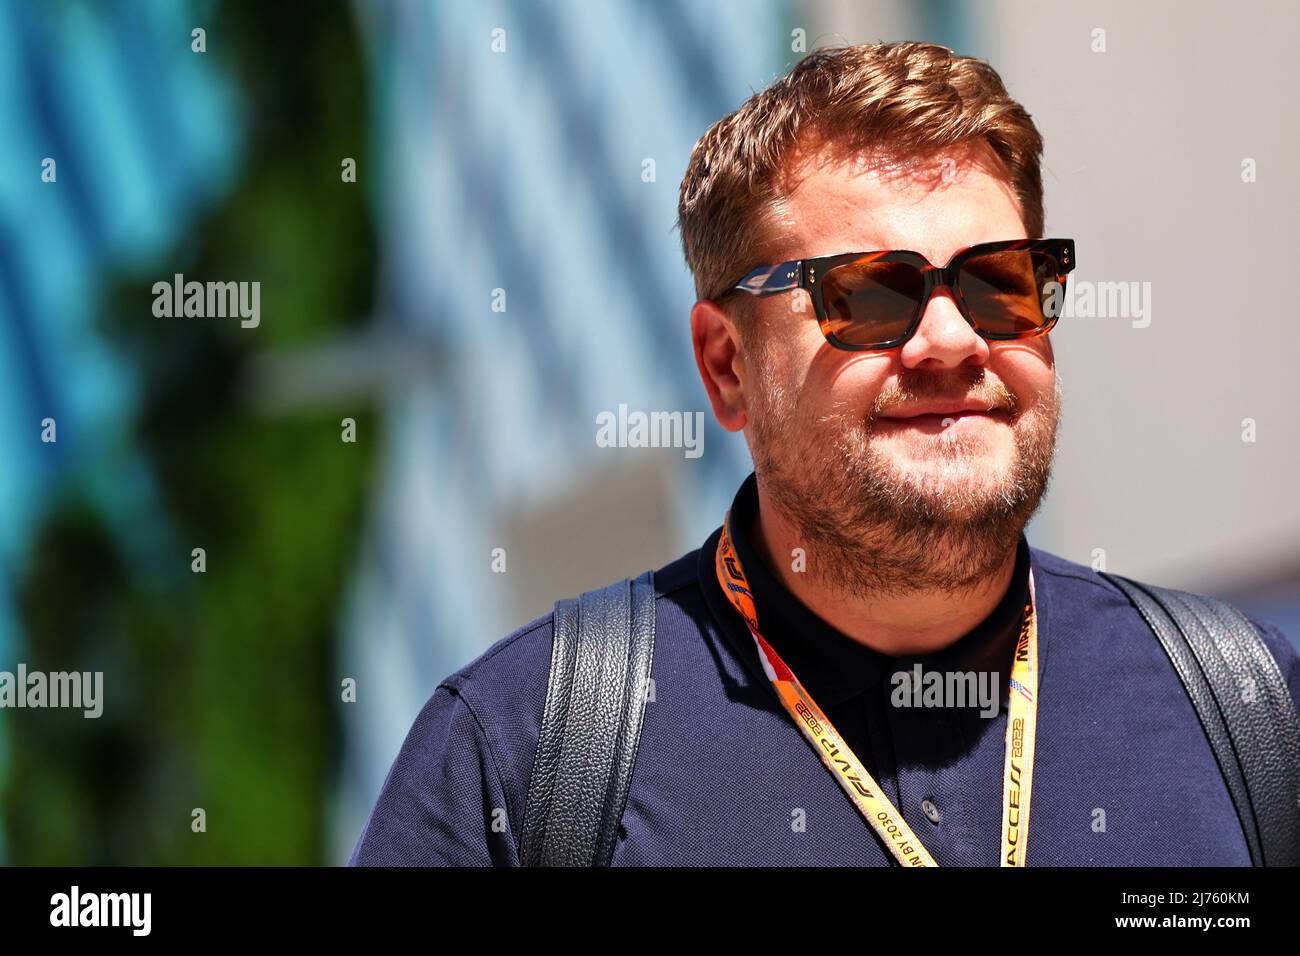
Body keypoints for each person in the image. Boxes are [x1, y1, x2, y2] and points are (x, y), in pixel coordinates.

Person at [349, 41, 1299, 866]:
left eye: (999, 283)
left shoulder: (1241, 706)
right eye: (870, 296)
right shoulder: (525, 753)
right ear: (726, 367)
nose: (951, 340)